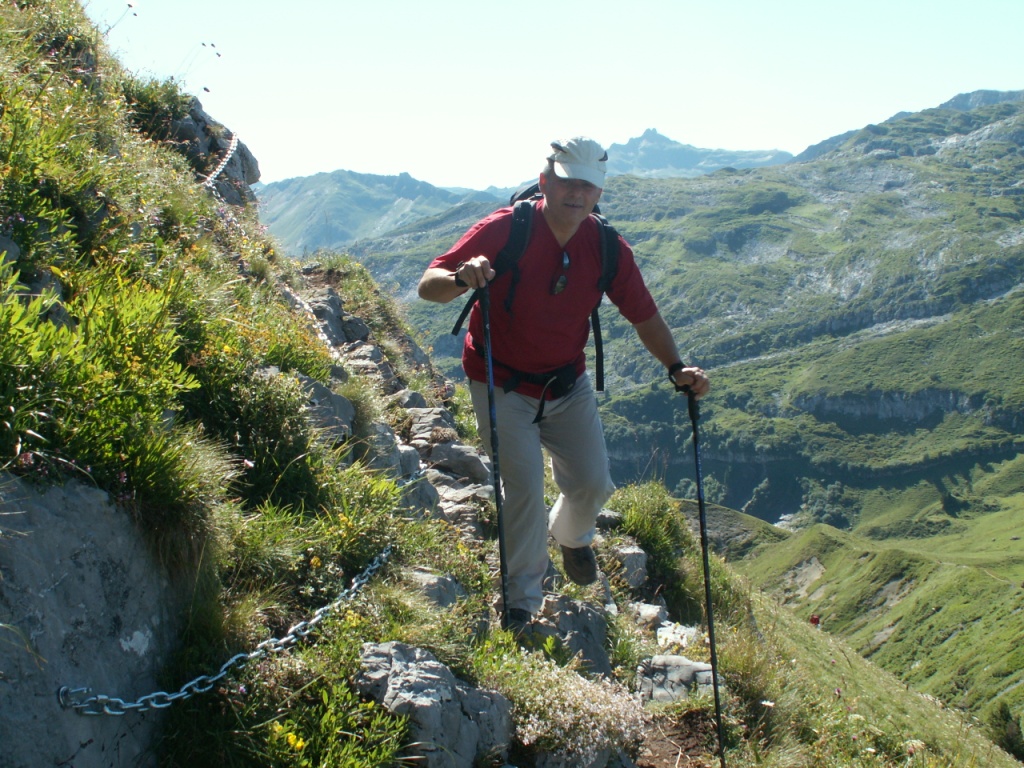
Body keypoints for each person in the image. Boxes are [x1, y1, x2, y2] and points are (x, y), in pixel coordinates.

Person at [417, 136, 709, 630]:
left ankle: (571, 537)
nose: (577, 193)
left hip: (566, 383)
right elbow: (430, 286)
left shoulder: (606, 246)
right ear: (545, 182)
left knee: (593, 483)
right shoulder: (506, 228)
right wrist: (463, 278)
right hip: (500, 381)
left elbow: (644, 315)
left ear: (599, 192)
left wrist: (676, 367)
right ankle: (521, 604)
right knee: (524, 489)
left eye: (587, 186)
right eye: (568, 182)